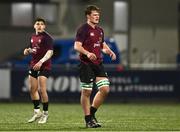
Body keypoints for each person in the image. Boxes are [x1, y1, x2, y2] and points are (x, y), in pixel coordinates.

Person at [74, 5, 116, 128]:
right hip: (86, 64)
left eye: (98, 15)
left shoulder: (100, 30)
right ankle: (88, 120)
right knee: (87, 91)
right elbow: (77, 46)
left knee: (105, 90)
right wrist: (87, 53)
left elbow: (102, 44)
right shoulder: (83, 29)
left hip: (98, 63)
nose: (97, 17)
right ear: (88, 16)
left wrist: (109, 51)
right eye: (94, 15)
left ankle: (91, 114)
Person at [23, 17, 53, 124]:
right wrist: (27, 51)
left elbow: (50, 52)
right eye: (37, 24)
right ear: (34, 26)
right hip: (34, 64)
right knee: (32, 89)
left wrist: (41, 62)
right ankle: (37, 112)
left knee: (41, 89)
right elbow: (31, 49)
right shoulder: (32, 37)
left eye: (41, 24)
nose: (39, 25)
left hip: (44, 65)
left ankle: (45, 114)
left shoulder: (47, 38)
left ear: (44, 26)